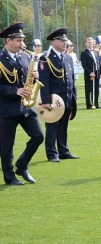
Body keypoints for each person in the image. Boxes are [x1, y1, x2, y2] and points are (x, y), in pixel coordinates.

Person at [0, 23, 45, 185]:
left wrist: (34, 76)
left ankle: (22, 165)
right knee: (6, 145)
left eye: (22, 40)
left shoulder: (25, 56)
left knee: (38, 136)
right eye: (18, 41)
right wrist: (14, 91)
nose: (22, 44)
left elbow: (28, 80)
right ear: (8, 41)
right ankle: (9, 177)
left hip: (26, 107)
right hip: (7, 108)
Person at [39, 28, 80, 162]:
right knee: (52, 127)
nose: (65, 43)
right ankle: (52, 153)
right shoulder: (45, 58)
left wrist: (74, 95)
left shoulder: (68, 57)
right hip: (53, 99)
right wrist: (45, 100)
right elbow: (44, 81)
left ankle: (63, 151)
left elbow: (71, 79)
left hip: (66, 98)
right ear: (54, 42)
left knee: (63, 126)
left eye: (65, 41)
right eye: (62, 41)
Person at [80, 37, 101, 109]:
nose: (90, 44)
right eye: (89, 42)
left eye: (91, 42)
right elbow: (84, 65)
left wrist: (100, 72)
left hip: (96, 73)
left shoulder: (96, 52)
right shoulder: (84, 53)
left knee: (96, 90)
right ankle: (88, 105)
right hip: (89, 74)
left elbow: (98, 63)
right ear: (86, 44)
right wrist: (89, 72)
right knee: (88, 90)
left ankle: (96, 104)